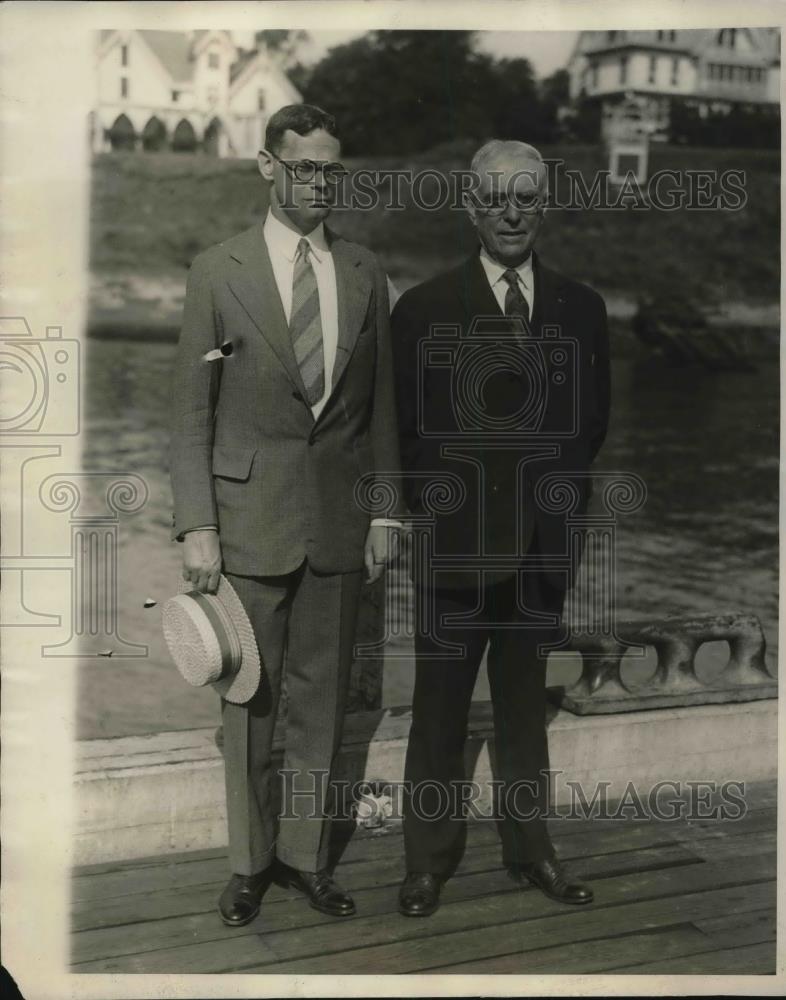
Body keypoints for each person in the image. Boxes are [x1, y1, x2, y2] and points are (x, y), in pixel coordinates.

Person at [169, 104, 402, 927]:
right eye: (305, 167)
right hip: (245, 527)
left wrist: (385, 517)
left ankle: (305, 858)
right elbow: (192, 414)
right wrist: (196, 524)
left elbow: (380, 417)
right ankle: (248, 864)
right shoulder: (217, 271)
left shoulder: (367, 273)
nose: (321, 182)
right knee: (248, 703)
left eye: (333, 169)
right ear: (269, 167)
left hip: (339, 526)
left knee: (323, 700)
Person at [390, 139, 611, 916]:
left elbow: (591, 426)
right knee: (438, 712)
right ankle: (426, 862)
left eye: (526, 196)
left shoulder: (582, 307)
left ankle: (532, 852)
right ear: (471, 207)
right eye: (495, 198)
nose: (512, 211)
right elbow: (407, 437)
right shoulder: (422, 309)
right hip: (453, 554)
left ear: (543, 203)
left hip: (543, 554)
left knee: (524, 711)